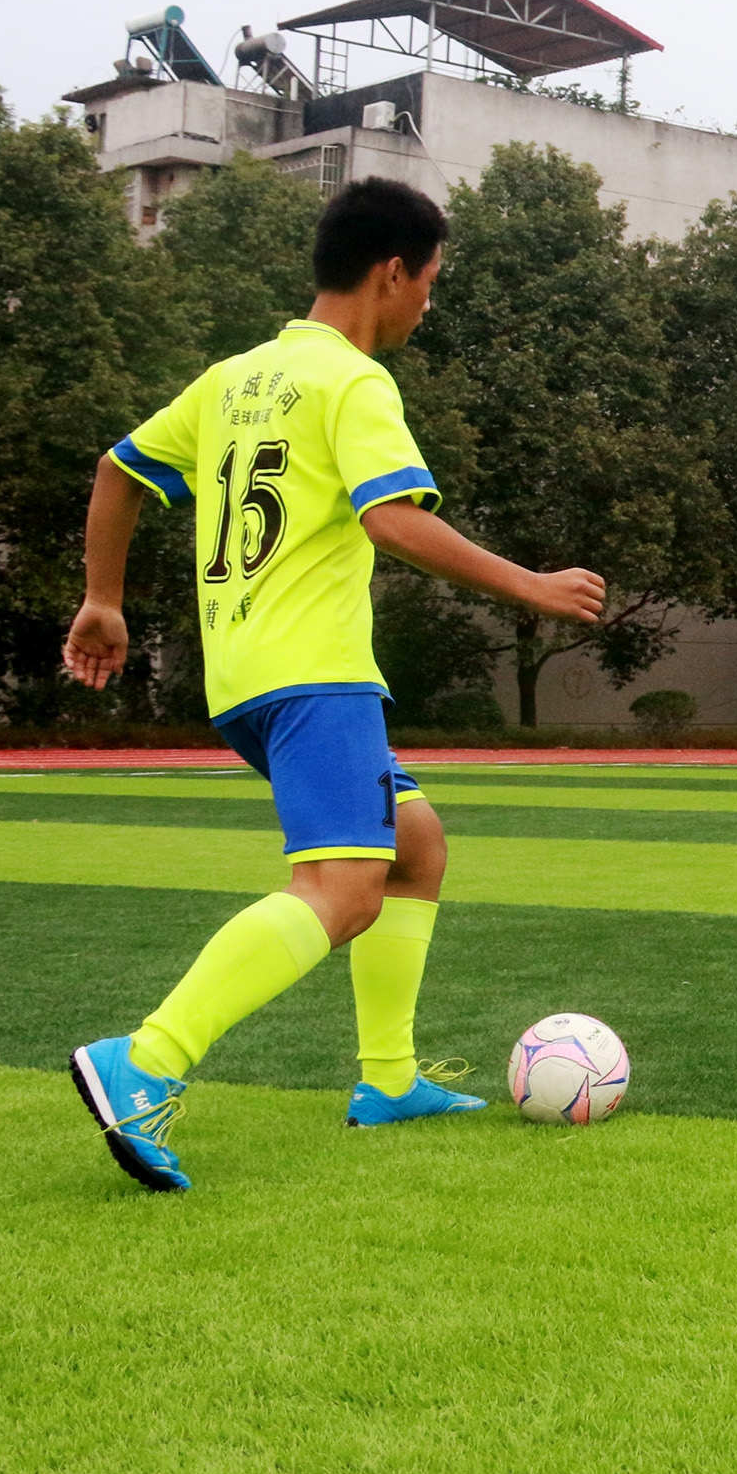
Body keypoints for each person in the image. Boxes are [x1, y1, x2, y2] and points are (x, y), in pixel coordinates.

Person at [63, 177, 607, 1193]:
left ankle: (388, 1080)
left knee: (416, 845)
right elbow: (391, 518)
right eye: (430, 282)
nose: (427, 305)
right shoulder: (353, 383)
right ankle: (145, 1060)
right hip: (318, 676)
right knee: (344, 891)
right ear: (392, 272)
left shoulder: (233, 379)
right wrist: (531, 585)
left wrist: (103, 599)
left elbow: (116, 470)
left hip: (244, 680)